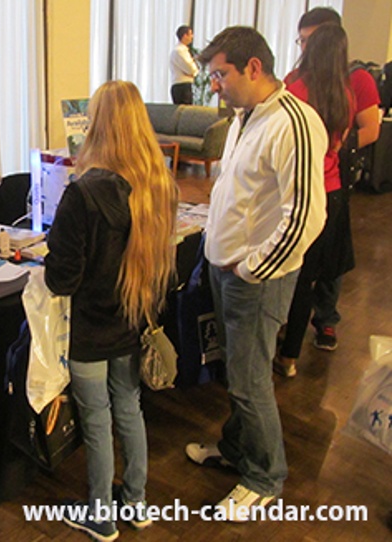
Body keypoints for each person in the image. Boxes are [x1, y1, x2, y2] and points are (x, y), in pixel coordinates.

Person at [184, 27, 327, 521]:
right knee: (236, 374)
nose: (215, 85)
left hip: (257, 278)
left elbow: (306, 214)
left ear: (253, 68)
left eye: (220, 74)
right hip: (228, 271)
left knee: (250, 382)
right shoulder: (248, 117)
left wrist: (251, 266)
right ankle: (236, 448)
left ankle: (265, 478)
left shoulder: (295, 122)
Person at [45, 80, 178, 541]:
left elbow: (61, 278)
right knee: (129, 407)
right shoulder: (158, 185)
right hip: (131, 322)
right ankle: (136, 501)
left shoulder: (84, 193)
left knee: (96, 418)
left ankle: (100, 513)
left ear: (97, 125)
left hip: (88, 330)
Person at [294, 7, 381, 351]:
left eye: (310, 40)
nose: (305, 48)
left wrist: (332, 149)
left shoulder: (356, 79)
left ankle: (326, 319)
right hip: (302, 179)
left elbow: (370, 129)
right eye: (301, 41)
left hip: (333, 179)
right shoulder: (297, 77)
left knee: (332, 256)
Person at [274, 24, 355, 378]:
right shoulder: (345, 93)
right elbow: (339, 146)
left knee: (290, 275)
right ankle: (291, 357)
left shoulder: (296, 87)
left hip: (300, 191)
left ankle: (278, 347)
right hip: (332, 192)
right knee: (311, 279)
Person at [170, 25, 200, 104]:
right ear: (184, 35)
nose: (192, 37)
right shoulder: (180, 51)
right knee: (185, 112)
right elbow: (191, 69)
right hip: (182, 86)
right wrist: (194, 72)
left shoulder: (182, 50)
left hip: (182, 85)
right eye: (190, 34)